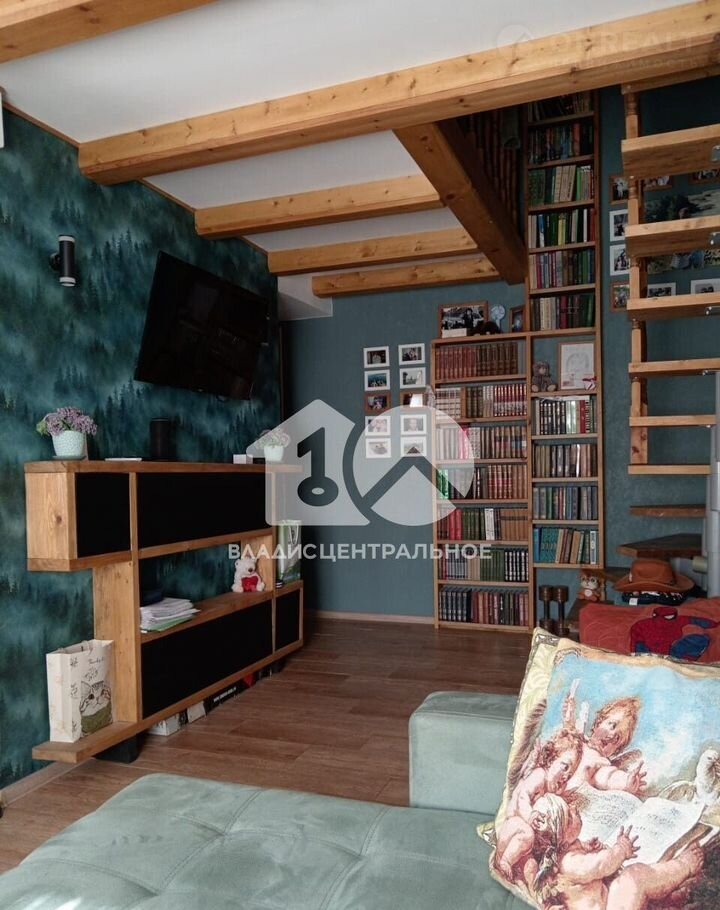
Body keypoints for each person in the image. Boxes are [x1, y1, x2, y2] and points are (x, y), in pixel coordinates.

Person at [527, 794, 704, 910]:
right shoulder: (569, 863)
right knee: (634, 876)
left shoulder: (565, 854)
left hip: (607, 901)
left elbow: (585, 864)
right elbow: (601, 865)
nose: (574, 808)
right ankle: (685, 866)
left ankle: (665, 894)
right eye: (569, 815)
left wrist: (588, 848)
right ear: (561, 837)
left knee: (625, 881)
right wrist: (621, 849)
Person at [494, 730, 584, 884]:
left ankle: (531, 887)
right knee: (527, 834)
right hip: (513, 829)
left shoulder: (554, 790)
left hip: (525, 846)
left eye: (570, 774)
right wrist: (530, 815)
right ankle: (504, 862)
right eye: (565, 767)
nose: (566, 776)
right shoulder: (539, 775)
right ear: (551, 760)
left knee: (531, 867)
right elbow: (523, 797)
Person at [564, 695, 646, 794]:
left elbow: (608, 777)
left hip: (567, 795)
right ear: (597, 724)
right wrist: (569, 717)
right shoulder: (578, 739)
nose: (612, 735)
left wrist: (626, 782)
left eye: (617, 738)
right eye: (612, 725)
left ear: (616, 750)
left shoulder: (600, 762)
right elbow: (567, 735)